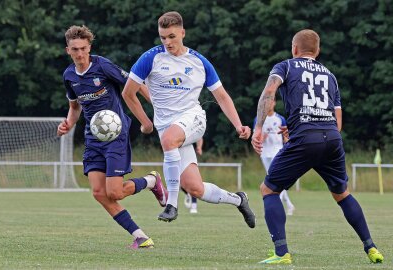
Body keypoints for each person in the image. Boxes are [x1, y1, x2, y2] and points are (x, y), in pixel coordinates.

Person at [251, 29, 383, 264]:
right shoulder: (330, 76)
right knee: (342, 194)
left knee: (269, 189)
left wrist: (258, 127)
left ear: (294, 49)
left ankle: (281, 253)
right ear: (317, 51)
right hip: (332, 138)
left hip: (305, 139)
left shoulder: (286, 66)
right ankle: (371, 247)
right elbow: (337, 119)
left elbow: (269, 92)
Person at [122, 11, 255, 228]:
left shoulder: (199, 62)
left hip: (193, 118)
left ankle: (171, 204)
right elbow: (128, 93)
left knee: (168, 141)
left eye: (172, 36)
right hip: (168, 128)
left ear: (183, 33)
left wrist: (239, 125)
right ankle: (239, 200)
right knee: (195, 188)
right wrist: (146, 122)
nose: (167, 42)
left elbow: (221, 96)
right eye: (163, 37)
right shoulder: (150, 58)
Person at [57, 25, 168, 250]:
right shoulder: (69, 75)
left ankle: (151, 181)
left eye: (83, 48)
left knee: (115, 192)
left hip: (116, 134)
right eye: (75, 49)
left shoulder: (103, 66)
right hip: (92, 137)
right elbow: (75, 107)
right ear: (68, 50)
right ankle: (140, 237)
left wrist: (157, 112)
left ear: (90, 47)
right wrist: (68, 123)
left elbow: (136, 86)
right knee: (99, 193)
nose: (80, 53)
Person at [253, 99, 295, 216]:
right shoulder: (259, 120)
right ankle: (290, 205)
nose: (269, 104)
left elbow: (286, 137)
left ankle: (279, 202)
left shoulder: (280, 119)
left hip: (277, 151)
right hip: (265, 153)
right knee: (272, 179)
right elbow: (256, 138)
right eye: (266, 102)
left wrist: (289, 148)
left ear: (274, 103)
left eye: (271, 102)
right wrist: (262, 138)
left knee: (276, 179)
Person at [183, 138, 203, 214]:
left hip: (189, 155)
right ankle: (188, 193)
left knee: (193, 182)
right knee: (179, 182)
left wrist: (199, 147)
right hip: (176, 155)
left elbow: (199, 136)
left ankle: (194, 206)